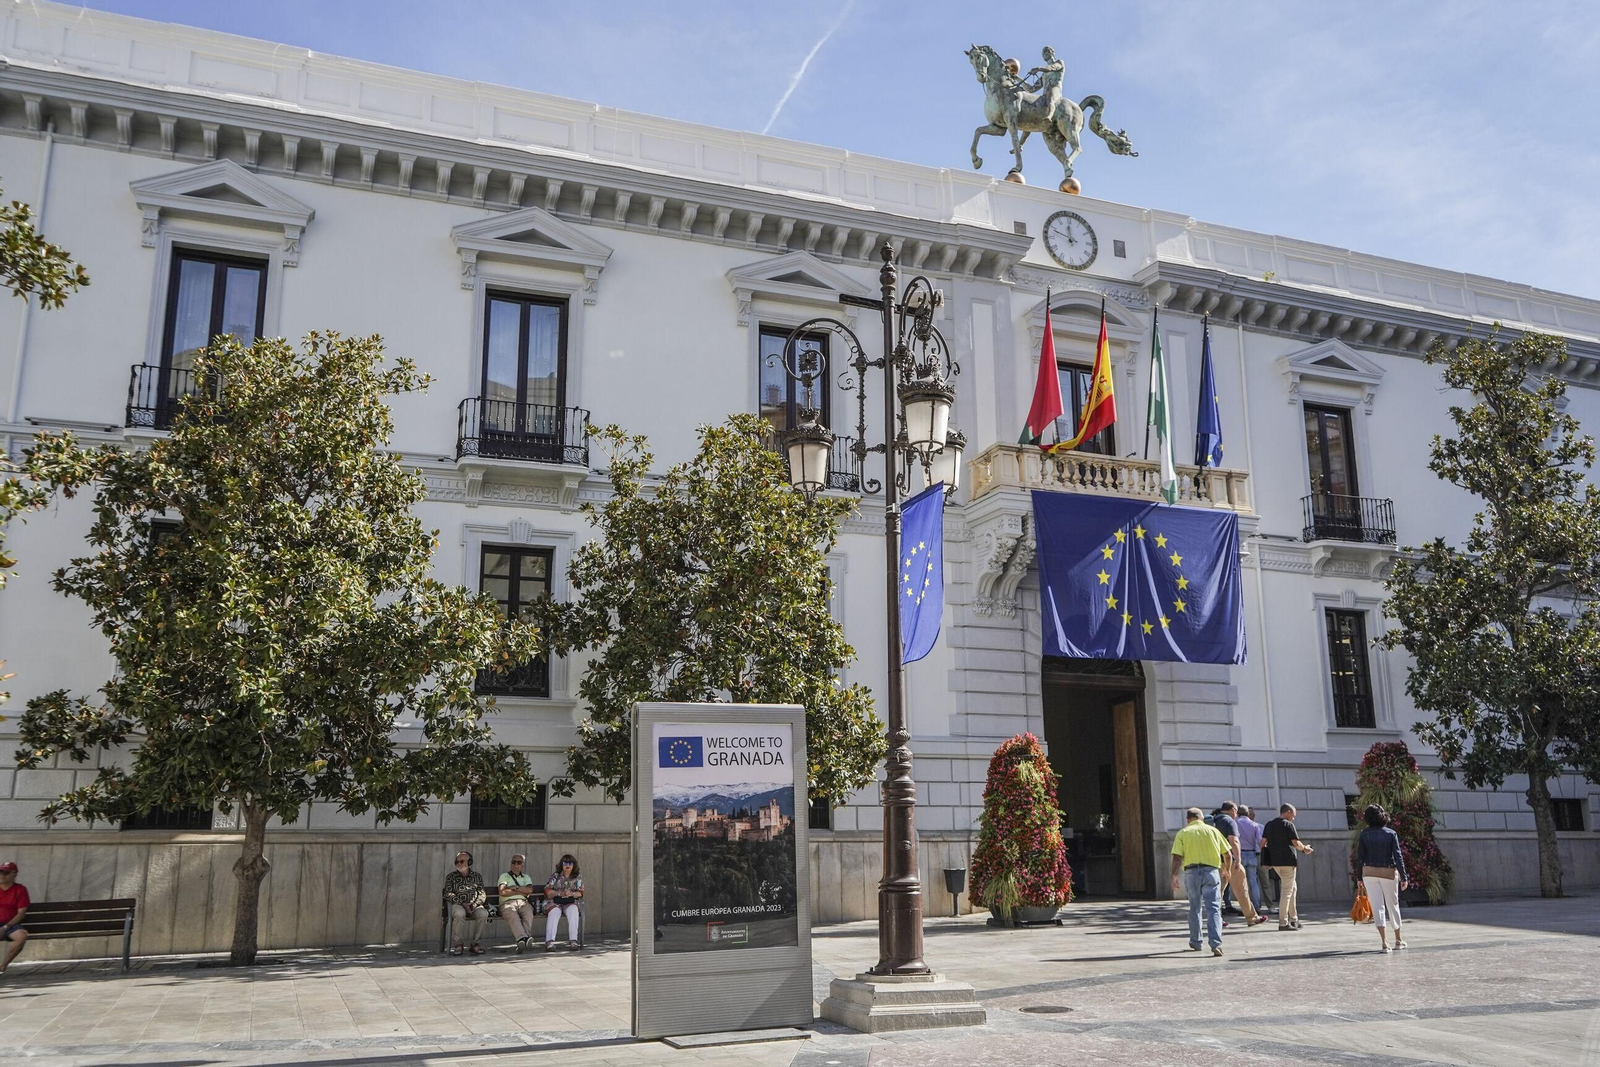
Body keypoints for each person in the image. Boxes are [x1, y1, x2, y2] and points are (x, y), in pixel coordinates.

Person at [1170, 807, 1232, 957]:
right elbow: (1228, 854)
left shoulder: (1183, 833)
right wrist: (1227, 870)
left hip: (1191, 873)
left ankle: (1196, 941)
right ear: (1201, 818)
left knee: (1195, 907)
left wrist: (1173, 875)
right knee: (1214, 908)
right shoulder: (1213, 831)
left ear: (1188, 819)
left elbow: (1177, 857)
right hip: (1211, 872)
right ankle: (1216, 944)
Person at [1357, 804, 1409, 952]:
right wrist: (1403, 876)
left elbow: (1360, 857)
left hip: (1369, 873)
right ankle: (1398, 940)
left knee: (1377, 906)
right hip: (1388, 872)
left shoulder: (1364, 834)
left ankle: (1384, 942)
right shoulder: (1391, 834)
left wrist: (1359, 877)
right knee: (1393, 905)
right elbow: (1398, 856)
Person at [1261, 803, 1314, 930]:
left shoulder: (1269, 824)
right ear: (1288, 811)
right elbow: (1296, 842)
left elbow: (1262, 843)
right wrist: (1305, 849)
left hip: (1275, 863)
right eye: (1293, 814)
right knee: (1287, 892)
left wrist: (1266, 861)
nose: (1294, 818)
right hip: (1288, 862)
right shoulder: (1288, 825)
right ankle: (1283, 922)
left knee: (1292, 888)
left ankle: (1294, 918)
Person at [1214, 801, 1266, 926]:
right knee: (1242, 890)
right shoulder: (1229, 821)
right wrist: (1238, 859)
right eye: (1235, 811)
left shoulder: (1213, 821)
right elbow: (1234, 841)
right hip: (1229, 861)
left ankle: (1216, 920)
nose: (1236, 814)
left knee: (1217, 893)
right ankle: (1252, 918)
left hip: (1215, 862)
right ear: (1232, 810)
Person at [444, 851, 488, 956]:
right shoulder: (451, 877)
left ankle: (476, 943)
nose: (459, 863)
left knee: (483, 913)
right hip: (458, 905)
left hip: (474, 905)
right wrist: (462, 903)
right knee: (459, 914)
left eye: (462, 861)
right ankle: (458, 943)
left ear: (470, 862)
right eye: (457, 861)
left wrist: (474, 904)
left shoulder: (477, 876)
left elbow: (482, 893)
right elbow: (448, 893)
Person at [497, 854, 540, 951]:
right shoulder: (504, 876)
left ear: (522, 865)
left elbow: (529, 890)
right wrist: (521, 890)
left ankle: (523, 940)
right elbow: (502, 891)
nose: (516, 865)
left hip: (523, 902)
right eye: (513, 862)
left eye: (519, 863)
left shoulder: (526, 877)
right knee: (513, 915)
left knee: (528, 913)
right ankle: (524, 938)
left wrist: (515, 888)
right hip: (507, 903)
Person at [544, 854, 584, 950]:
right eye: (565, 863)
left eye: (570, 863)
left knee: (573, 910)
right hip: (555, 902)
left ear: (573, 865)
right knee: (554, 912)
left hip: (570, 901)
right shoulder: (555, 876)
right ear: (561, 864)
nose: (568, 865)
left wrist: (572, 894)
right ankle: (550, 942)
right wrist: (559, 893)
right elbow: (547, 891)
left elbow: (581, 892)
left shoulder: (577, 877)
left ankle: (573, 941)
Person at [1236, 804, 1267, 917]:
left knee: (1241, 883)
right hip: (1252, 854)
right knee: (1253, 882)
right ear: (1248, 814)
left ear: (1237, 812)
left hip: (1240, 854)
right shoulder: (1255, 825)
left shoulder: (1235, 823)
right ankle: (1257, 907)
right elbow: (1260, 841)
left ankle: (1245, 908)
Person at [0, 861, 29, 974]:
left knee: (21, 937)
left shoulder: (20, 890)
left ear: (15, 874)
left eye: (6, 873)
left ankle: (3, 966)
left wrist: (6, 927)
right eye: (0, 872)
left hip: (11, 924)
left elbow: (21, 913)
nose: (2, 875)